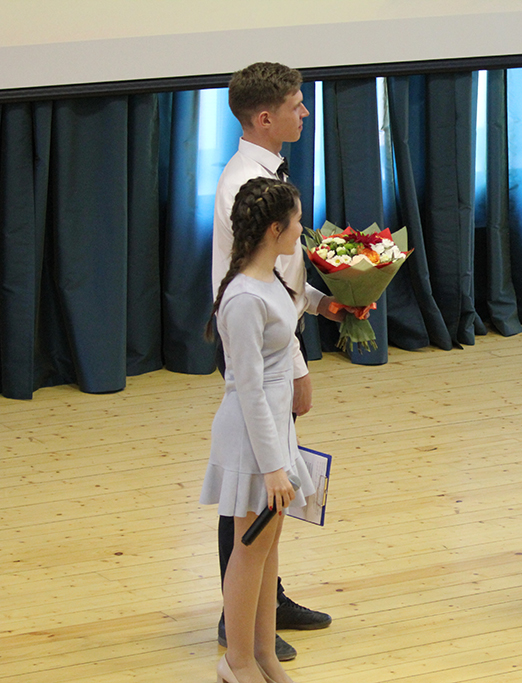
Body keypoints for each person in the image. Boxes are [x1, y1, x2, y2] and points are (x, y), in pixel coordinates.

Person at [212, 62, 339, 660]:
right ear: (265, 118)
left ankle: (266, 606)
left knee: (268, 497)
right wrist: (297, 365)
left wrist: (324, 303)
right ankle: (236, 624)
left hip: (273, 342)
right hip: (261, 357)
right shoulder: (244, 187)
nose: (305, 112)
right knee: (251, 491)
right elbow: (248, 292)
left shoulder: (267, 176)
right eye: (296, 104)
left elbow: (280, 282)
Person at [202, 177, 316, 683]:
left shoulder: (270, 279)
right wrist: (273, 467)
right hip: (253, 439)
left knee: (268, 550)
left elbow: (291, 310)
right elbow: (247, 388)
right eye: (296, 222)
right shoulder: (244, 297)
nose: (301, 230)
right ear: (274, 229)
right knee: (248, 552)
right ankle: (238, 661)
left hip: (274, 429)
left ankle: (264, 655)